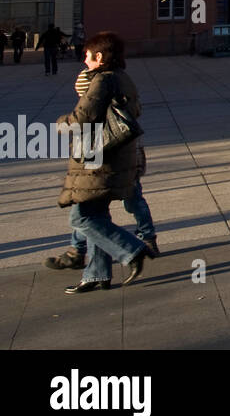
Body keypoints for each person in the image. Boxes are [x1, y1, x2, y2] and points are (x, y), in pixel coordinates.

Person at [54, 31, 153, 293]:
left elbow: (82, 118)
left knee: (81, 217)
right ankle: (96, 274)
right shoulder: (124, 78)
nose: (84, 62)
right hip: (116, 157)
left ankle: (132, 250)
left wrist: (60, 123)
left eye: (87, 56)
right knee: (96, 214)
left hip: (99, 160)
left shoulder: (103, 80)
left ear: (99, 56)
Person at [45, 64, 160, 271]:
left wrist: (64, 123)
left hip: (117, 167)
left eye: (84, 94)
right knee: (90, 210)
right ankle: (82, 256)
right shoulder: (105, 102)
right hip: (109, 166)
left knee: (98, 210)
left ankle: (143, 240)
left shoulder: (108, 111)